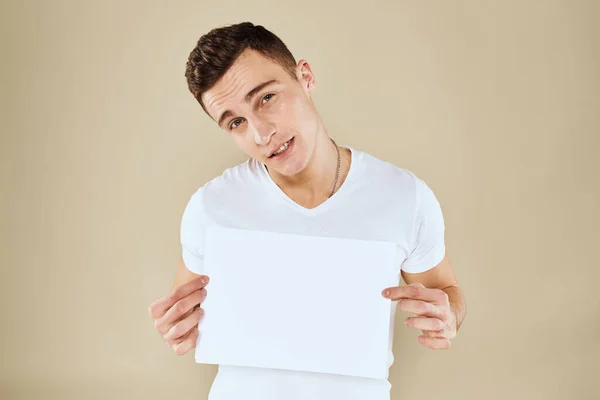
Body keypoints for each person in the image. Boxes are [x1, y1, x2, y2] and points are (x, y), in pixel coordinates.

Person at [149, 21, 466, 400]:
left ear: (305, 77)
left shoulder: (404, 196)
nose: (261, 134)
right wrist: (176, 326)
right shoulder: (212, 206)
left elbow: (446, 291)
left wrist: (449, 316)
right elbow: (186, 308)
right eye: (236, 122)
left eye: (266, 98)